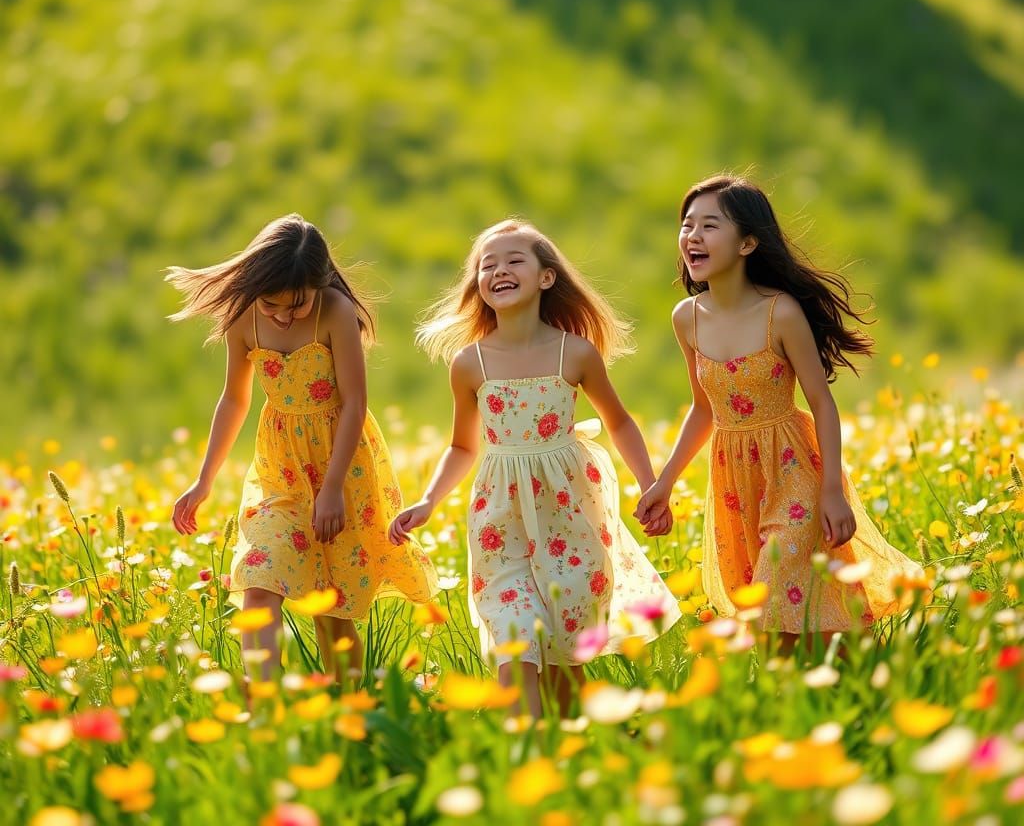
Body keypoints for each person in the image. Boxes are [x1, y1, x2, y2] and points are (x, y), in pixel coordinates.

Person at [388, 218, 680, 717]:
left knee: (567, 652)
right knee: (515, 638)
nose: (499, 270)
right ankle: (523, 748)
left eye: (514, 260)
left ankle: (565, 747)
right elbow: (462, 447)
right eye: (487, 264)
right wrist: (428, 500)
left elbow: (620, 422)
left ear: (546, 277)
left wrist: (650, 484)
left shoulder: (575, 353)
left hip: (570, 512)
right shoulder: (470, 363)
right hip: (500, 516)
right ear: (478, 285)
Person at [636, 175, 922, 648]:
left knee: (778, 571)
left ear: (748, 242)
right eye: (687, 226)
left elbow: (822, 405)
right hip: (734, 477)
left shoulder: (780, 313)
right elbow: (703, 409)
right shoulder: (686, 318)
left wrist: (833, 489)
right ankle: (816, 683)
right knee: (773, 608)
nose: (693, 237)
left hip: (792, 464)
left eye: (710, 226)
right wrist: (663, 484)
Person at [167, 214, 437, 680]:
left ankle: (348, 703)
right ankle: (265, 702)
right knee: (258, 576)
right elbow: (234, 398)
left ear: (321, 281)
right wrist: (203, 479)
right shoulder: (244, 316)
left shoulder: (334, 310)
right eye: (274, 304)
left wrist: (332, 487)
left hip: (344, 467)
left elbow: (355, 403)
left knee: (332, 606)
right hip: (282, 473)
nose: (285, 315)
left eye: (297, 304)